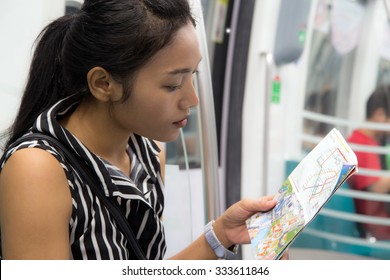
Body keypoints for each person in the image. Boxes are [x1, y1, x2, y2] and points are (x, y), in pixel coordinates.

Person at [0, 0, 279, 260]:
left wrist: (220, 236)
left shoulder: (147, 155)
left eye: (192, 75)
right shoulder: (36, 170)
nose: (192, 100)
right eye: (172, 85)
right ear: (103, 84)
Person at [347, 86, 390, 240]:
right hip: (378, 229)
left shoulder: (367, 140)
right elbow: (376, 187)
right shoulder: (363, 145)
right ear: (379, 114)